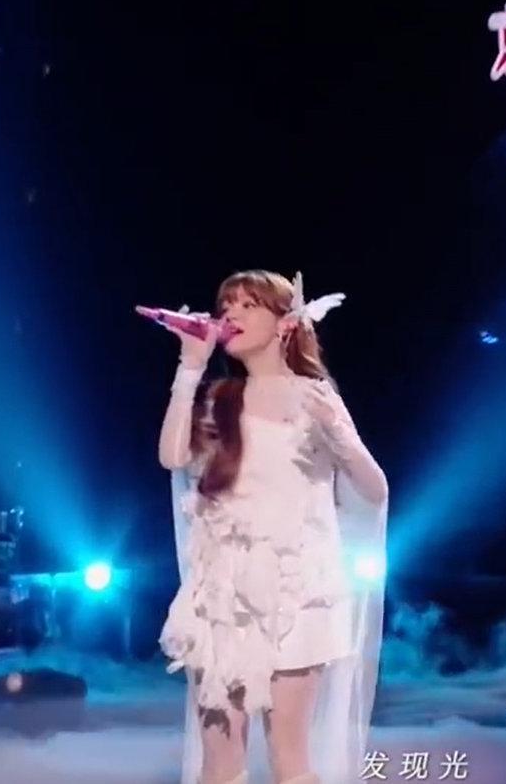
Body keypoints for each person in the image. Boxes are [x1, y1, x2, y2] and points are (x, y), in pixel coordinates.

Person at [156, 269, 389, 784]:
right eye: (226, 305)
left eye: (248, 304)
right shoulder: (220, 397)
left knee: (289, 757)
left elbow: (374, 491)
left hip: (293, 594)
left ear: (285, 323)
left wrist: (341, 436)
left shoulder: (314, 397)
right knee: (219, 763)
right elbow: (172, 457)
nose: (231, 314)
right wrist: (189, 367)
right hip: (222, 595)